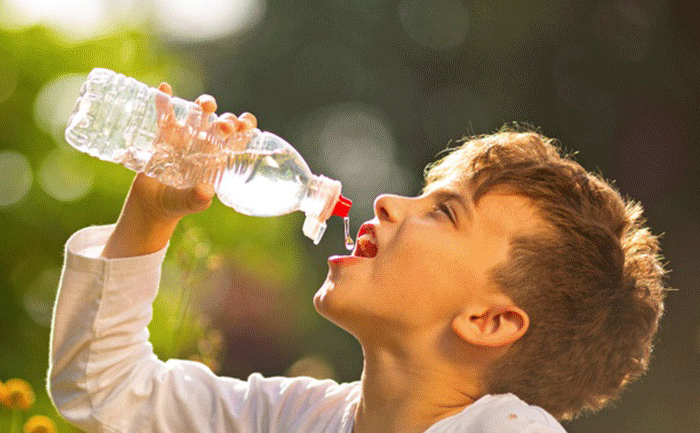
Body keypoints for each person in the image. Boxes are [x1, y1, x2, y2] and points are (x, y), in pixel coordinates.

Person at [47, 83, 668, 433]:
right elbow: (105, 391)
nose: (389, 203)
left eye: (445, 212)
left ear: (489, 320)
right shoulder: (298, 417)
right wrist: (152, 213)